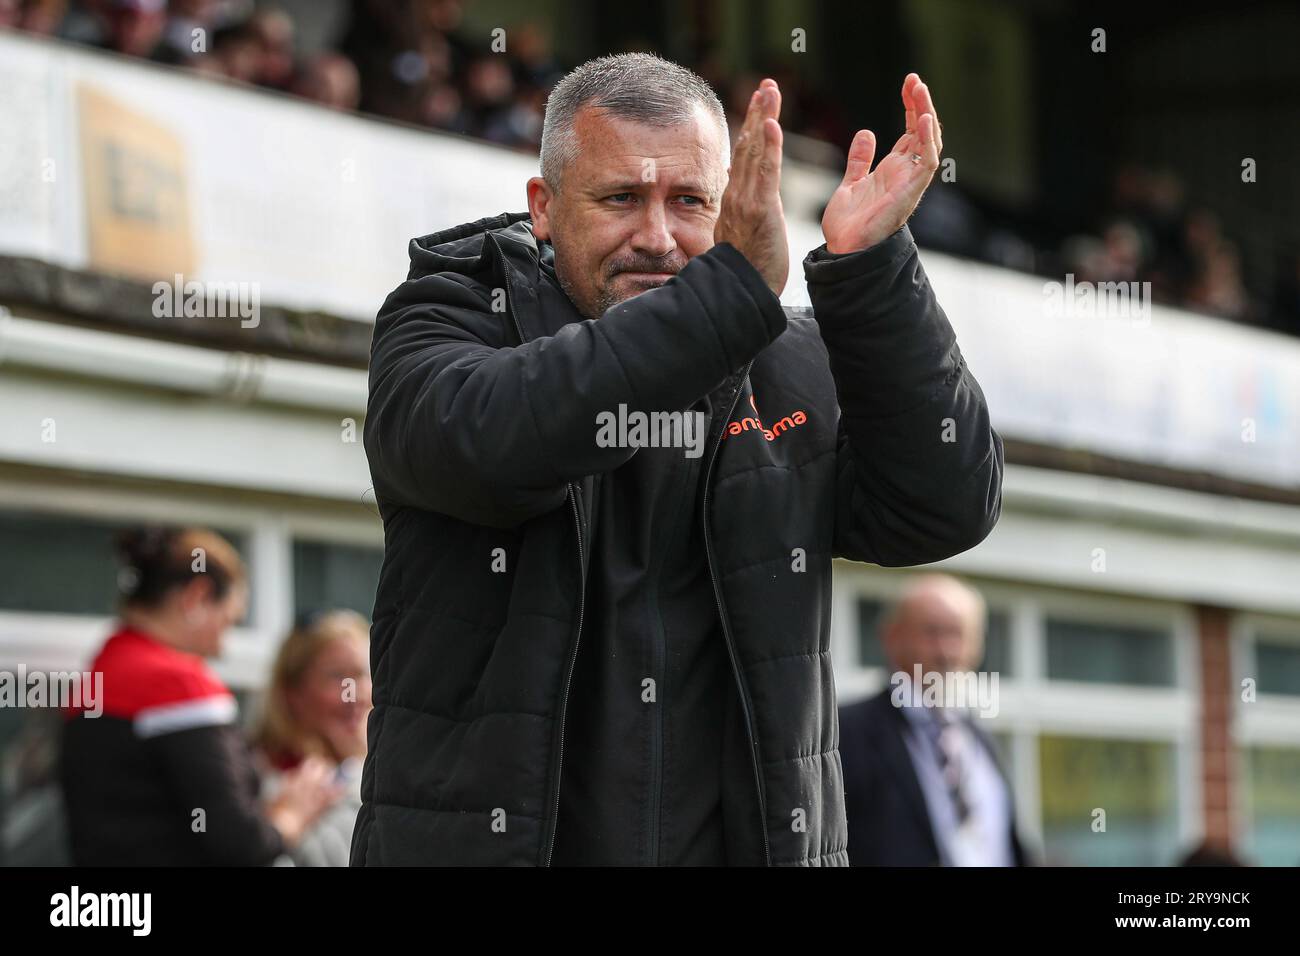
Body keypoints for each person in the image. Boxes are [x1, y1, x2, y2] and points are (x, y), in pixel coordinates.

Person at [353, 53, 1002, 866]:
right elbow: (493, 443)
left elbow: (942, 505)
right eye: (622, 198)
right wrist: (726, 300)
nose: (657, 238)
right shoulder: (448, 320)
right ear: (545, 208)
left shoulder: (789, 356)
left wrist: (873, 274)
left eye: (690, 201)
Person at [60, 526, 342, 865]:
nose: (222, 646)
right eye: (228, 621)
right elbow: (239, 846)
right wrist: (290, 815)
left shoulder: (101, 669)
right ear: (196, 597)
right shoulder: (178, 684)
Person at [839, 575, 1029, 866]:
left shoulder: (977, 737)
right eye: (932, 632)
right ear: (892, 638)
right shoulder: (846, 733)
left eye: (959, 634)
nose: (947, 652)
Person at [252, 609, 372, 867]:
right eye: (338, 676)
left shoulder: (376, 772)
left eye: (362, 675)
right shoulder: (259, 780)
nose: (356, 694)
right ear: (292, 692)